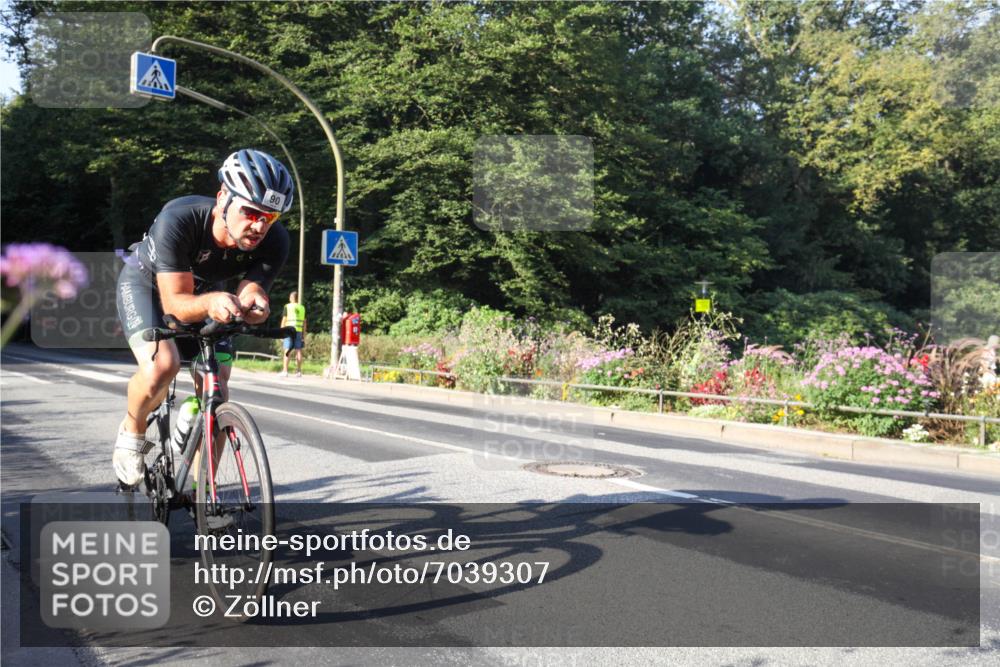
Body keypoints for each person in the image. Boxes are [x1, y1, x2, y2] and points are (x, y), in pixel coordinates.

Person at [113, 148, 294, 487]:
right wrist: (214, 302)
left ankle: (201, 490)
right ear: (223, 197)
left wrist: (256, 305)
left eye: (269, 218)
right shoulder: (180, 219)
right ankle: (131, 432)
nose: (258, 225)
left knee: (217, 387)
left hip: (209, 293)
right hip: (148, 286)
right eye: (251, 212)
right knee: (162, 366)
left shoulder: (275, 241)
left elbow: (252, 290)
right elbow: (176, 304)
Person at [279, 291, 306, 377]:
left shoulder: (287, 306)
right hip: (298, 330)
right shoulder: (302, 308)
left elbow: (284, 319)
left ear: (291, 298)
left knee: (287, 350)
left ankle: (285, 371)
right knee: (298, 350)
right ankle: (298, 372)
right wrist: (303, 335)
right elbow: (305, 323)